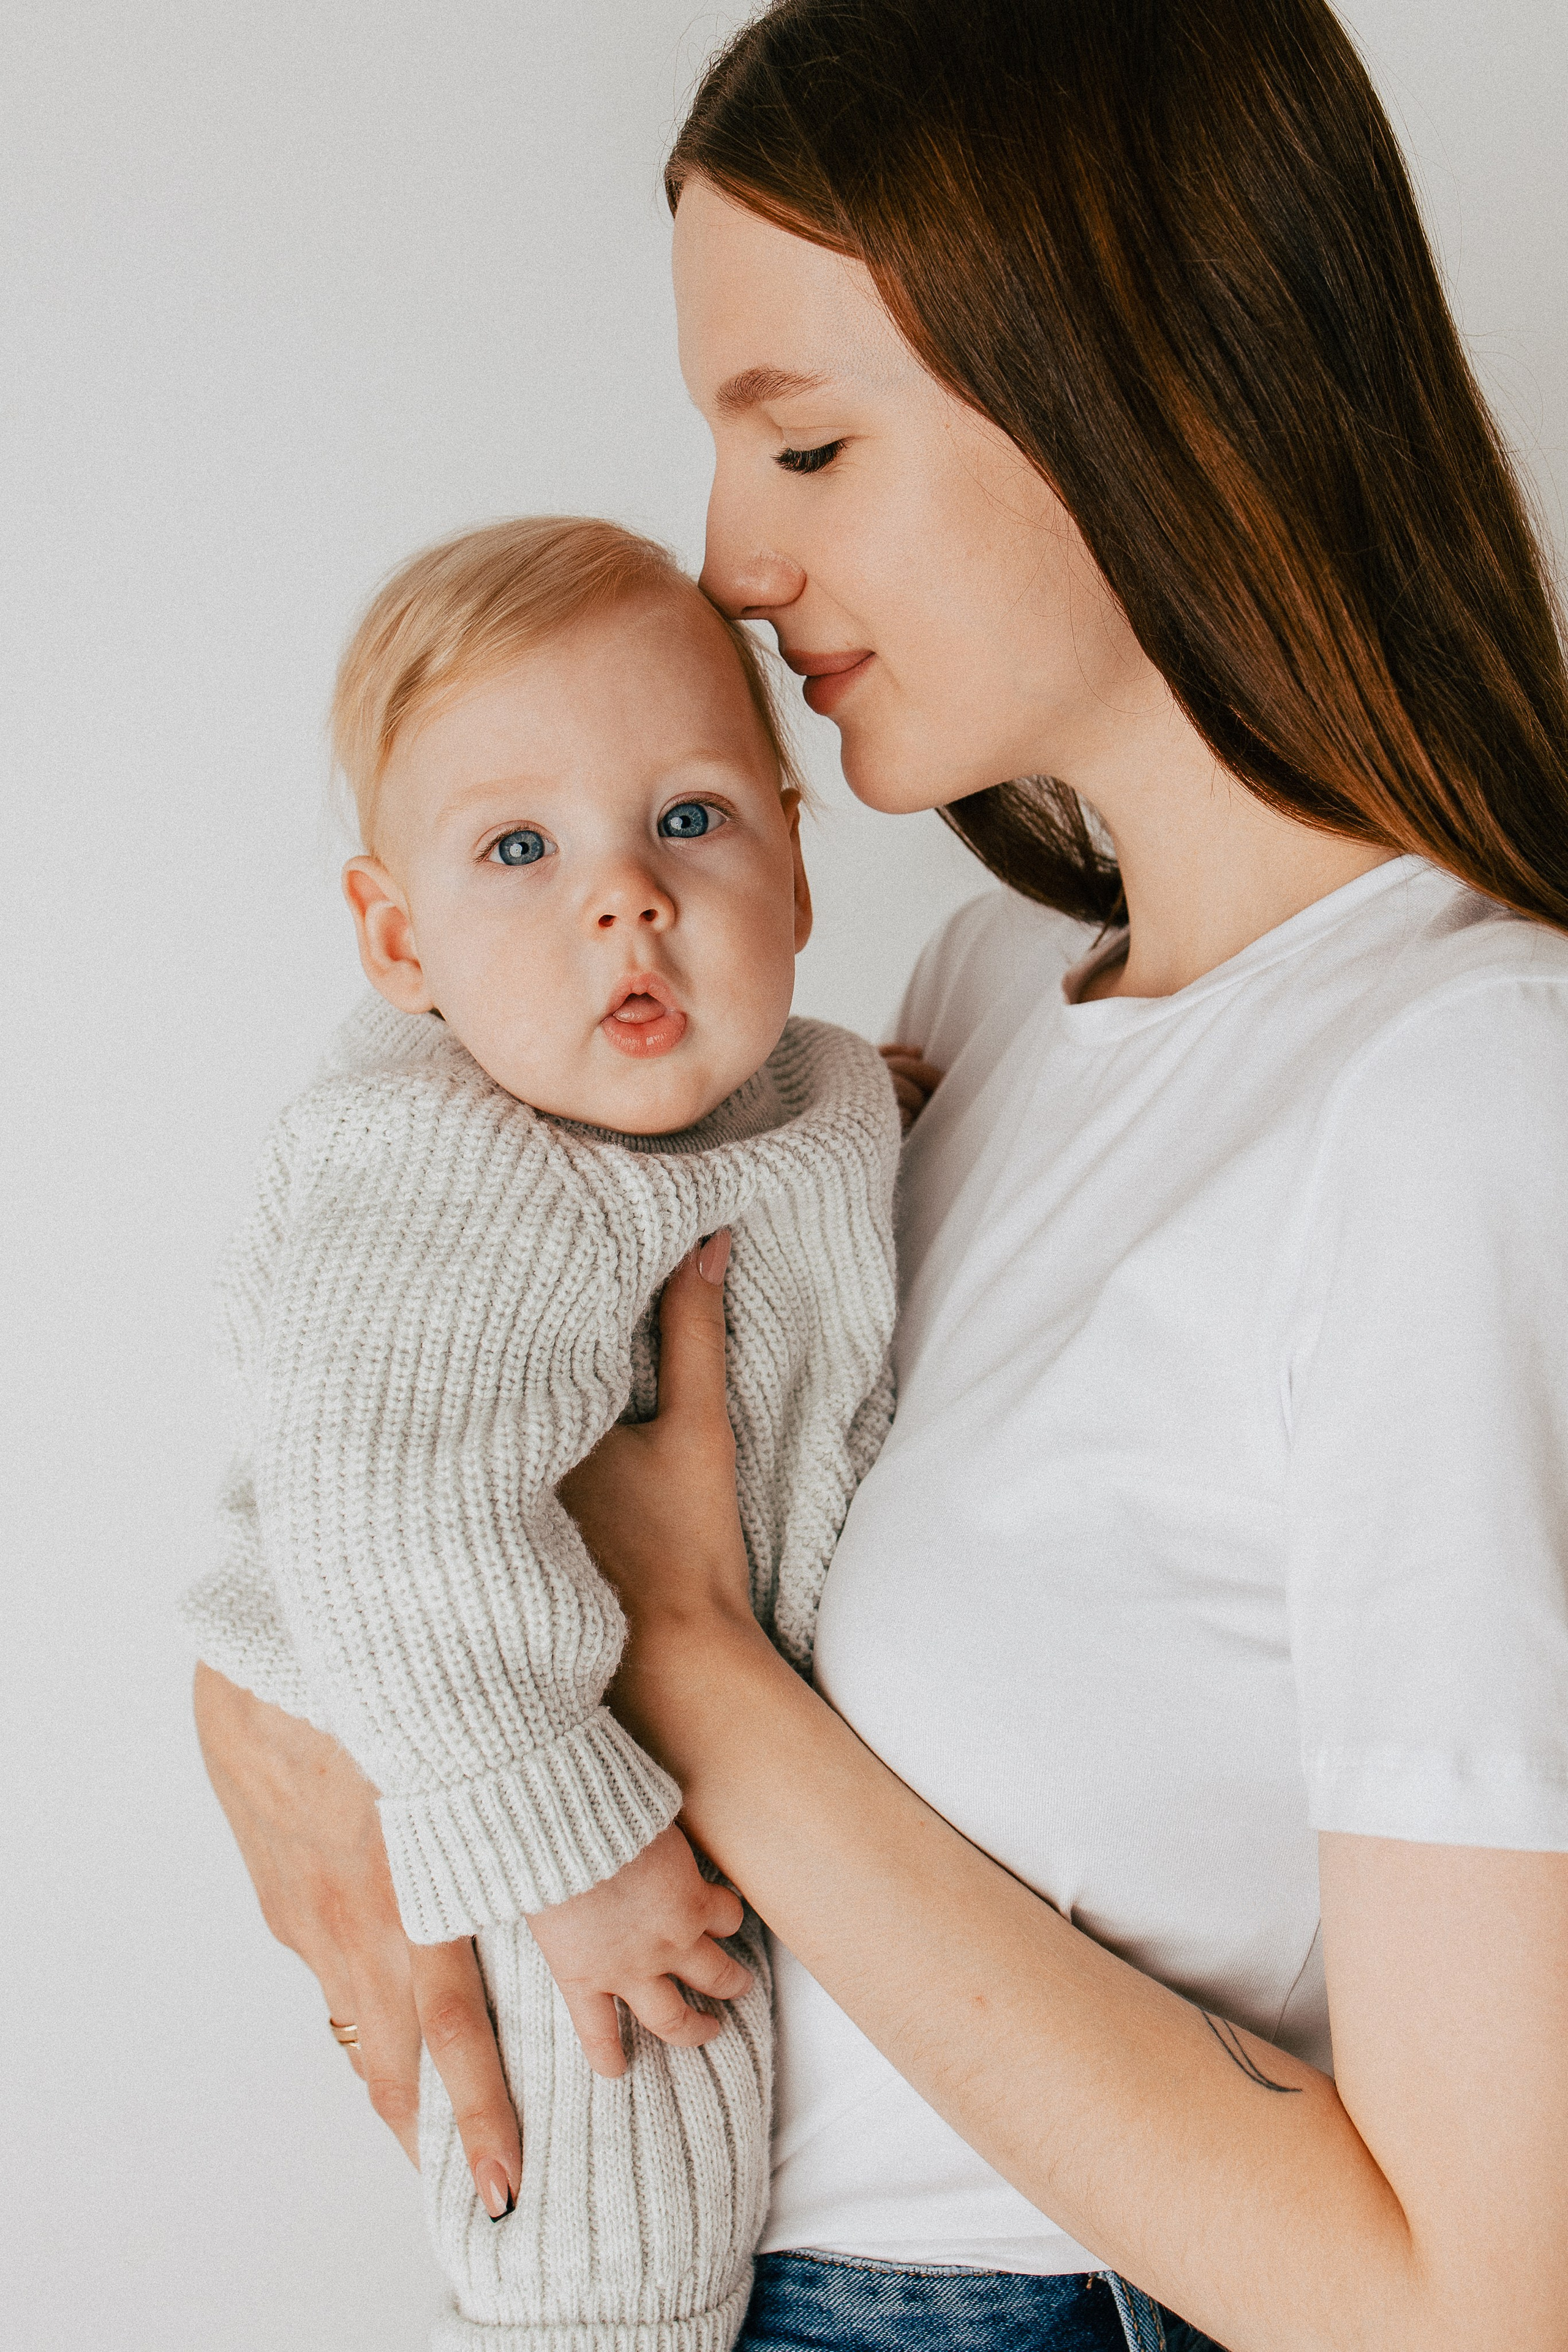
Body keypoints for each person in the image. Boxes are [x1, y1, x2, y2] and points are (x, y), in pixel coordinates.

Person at [194, 4, 1568, 2348]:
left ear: (1149, 381)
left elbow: (1461, 2302)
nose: (727, 566)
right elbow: (447, 1329)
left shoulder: (1458, 1098)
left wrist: (687, 1668)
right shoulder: (959, 1008)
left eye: (809, 441)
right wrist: (267, 1696)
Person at [181, 514, 905, 2350]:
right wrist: (554, 1845)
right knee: (626, 2143)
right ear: (399, 940)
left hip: (650, 1773)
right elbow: (379, 1508)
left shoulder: (766, 1090)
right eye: (521, 849)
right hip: (523, 1810)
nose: (625, 898)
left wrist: (874, 1119)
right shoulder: (466, 1167)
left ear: (797, 870)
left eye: (689, 820)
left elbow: (794, 1166)